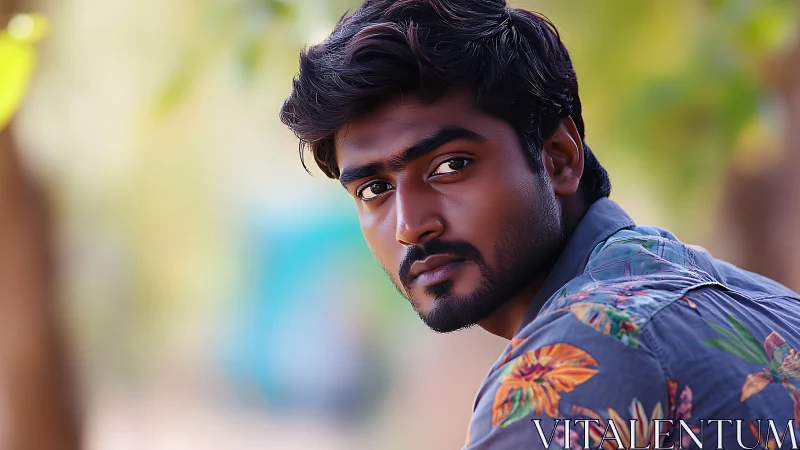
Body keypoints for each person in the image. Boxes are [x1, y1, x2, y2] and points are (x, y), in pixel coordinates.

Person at [279, 1, 800, 448]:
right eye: (374, 190)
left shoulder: (574, 361)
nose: (410, 226)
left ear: (558, 158)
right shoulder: (773, 308)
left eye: (450, 166)